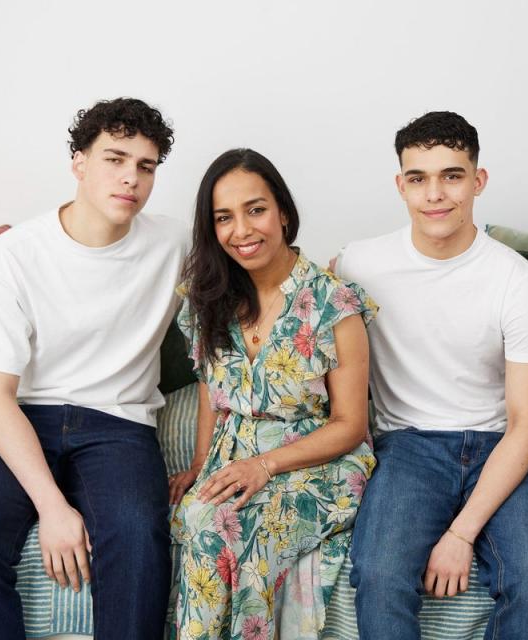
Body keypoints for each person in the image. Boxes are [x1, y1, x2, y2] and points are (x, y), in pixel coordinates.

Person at [0, 97, 187, 640]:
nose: (131, 179)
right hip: (26, 414)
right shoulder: (15, 253)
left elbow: (255, 277)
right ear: (79, 162)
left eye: (146, 167)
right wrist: (53, 508)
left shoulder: (174, 245)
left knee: (139, 537)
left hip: (120, 424)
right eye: (115, 159)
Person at [337, 111, 528, 640]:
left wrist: (461, 533)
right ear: (401, 186)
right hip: (408, 446)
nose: (435, 194)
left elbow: (527, 425)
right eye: (418, 178)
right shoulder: (356, 266)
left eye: (452, 176)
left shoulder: (516, 279)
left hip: (498, 445)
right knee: (381, 573)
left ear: (478, 181)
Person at [169, 148, 376, 640]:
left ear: (283, 212)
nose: (242, 230)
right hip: (235, 454)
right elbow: (209, 389)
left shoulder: (334, 302)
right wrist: (203, 462)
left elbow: (350, 424)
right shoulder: (207, 298)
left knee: (229, 531)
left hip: (318, 463)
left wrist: (265, 466)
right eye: (224, 217)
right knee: (200, 517)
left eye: (255, 209)